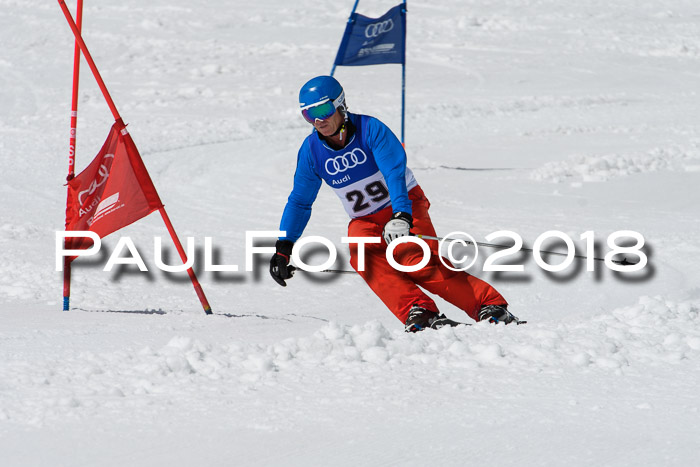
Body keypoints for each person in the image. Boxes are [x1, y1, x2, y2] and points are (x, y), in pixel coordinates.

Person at [270, 75, 521, 332]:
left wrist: (401, 214)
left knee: (412, 258)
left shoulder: (370, 129)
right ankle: (418, 310)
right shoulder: (311, 151)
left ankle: (488, 305)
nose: (318, 120)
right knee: (361, 252)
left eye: (322, 110)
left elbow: (394, 173)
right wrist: (284, 246)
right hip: (365, 219)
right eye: (308, 114)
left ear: (340, 104)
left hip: (405, 203)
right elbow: (300, 201)